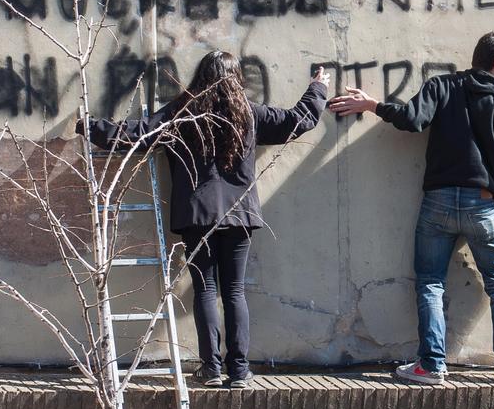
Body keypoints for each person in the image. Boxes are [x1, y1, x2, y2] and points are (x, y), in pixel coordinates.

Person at [328, 31, 494, 384]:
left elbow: (411, 119)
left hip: (437, 203)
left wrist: (372, 105)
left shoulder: (442, 87)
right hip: (481, 206)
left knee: (430, 284)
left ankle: (431, 366)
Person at [79, 51, 329, 388]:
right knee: (234, 292)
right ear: (235, 78)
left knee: (206, 290)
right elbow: (296, 121)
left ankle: (211, 369)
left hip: (197, 215)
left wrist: (88, 126)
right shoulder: (248, 113)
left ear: (200, 77)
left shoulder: (181, 113)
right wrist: (317, 88)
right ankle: (239, 371)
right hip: (239, 214)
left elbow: (135, 134)